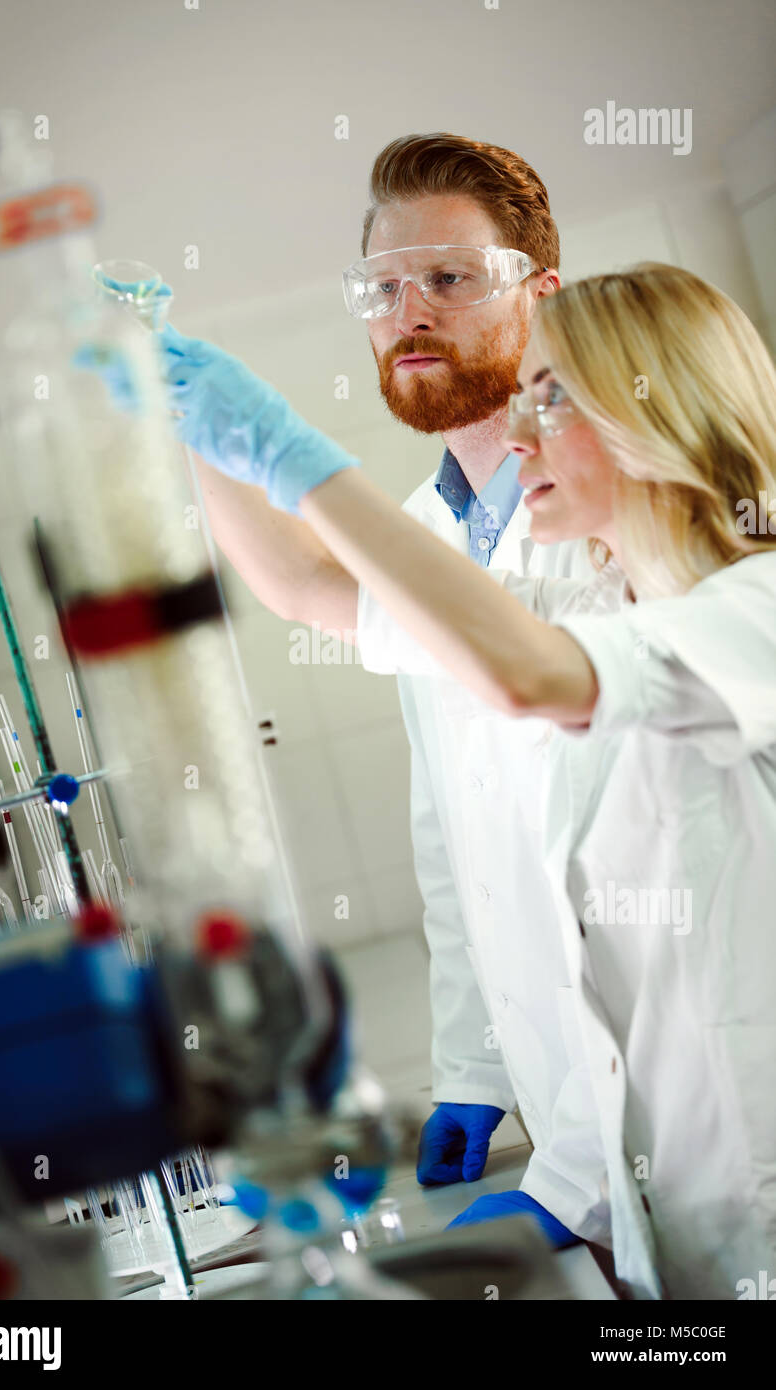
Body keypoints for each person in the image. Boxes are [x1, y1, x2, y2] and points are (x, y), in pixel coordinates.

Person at [151, 260, 776, 1299]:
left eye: (555, 396)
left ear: (659, 406)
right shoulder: (588, 606)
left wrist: (296, 456)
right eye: (523, 392)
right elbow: (313, 586)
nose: (518, 435)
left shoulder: (753, 606)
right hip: (680, 1234)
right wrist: (199, 431)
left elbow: (526, 674)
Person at [177, 135, 611, 1251]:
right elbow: (455, 836)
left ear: (538, 293)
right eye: (380, 287)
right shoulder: (423, 536)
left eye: (448, 278)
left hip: (671, 1103)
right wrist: (470, 1060)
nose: (407, 310)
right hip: (564, 1096)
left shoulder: (620, 497)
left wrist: (585, 1170)